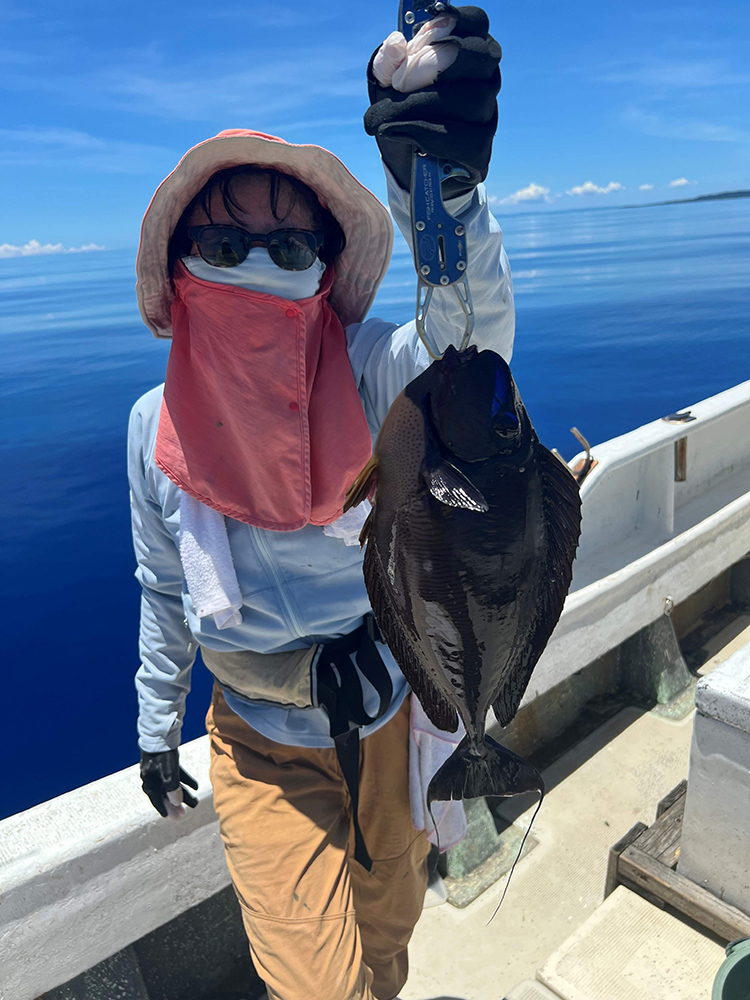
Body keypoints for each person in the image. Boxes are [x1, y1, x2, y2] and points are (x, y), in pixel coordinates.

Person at [129, 8, 512, 999]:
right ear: (179, 267)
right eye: (223, 241)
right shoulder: (151, 432)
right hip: (257, 742)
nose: (257, 264)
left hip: (389, 716)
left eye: (290, 250)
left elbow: (467, 360)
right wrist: (152, 725)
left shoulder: (379, 372)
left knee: (388, 938)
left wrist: (444, 185)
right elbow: (163, 588)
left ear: (325, 278)